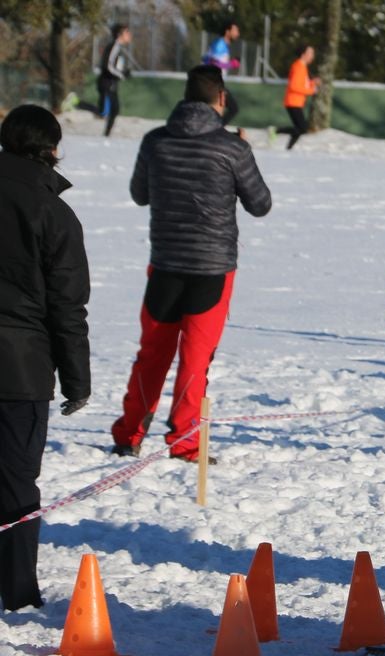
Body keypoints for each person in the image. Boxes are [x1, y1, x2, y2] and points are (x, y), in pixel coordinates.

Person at [111, 66, 271, 463]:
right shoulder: (232, 148)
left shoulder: (155, 141)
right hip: (213, 268)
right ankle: (183, 439)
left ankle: (129, 433)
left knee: (152, 352)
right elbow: (261, 204)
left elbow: (139, 194)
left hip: (165, 263)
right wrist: (239, 153)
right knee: (196, 358)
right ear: (221, 99)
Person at [0, 105, 91, 612]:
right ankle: (16, 591)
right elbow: (68, 305)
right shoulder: (53, 212)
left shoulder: (52, 210)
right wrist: (77, 380)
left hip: (22, 363)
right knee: (15, 481)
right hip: (21, 369)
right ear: (53, 149)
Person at [276, 45, 320, 150]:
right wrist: (311, 91)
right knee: (302, 128)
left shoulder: (303, 67)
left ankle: (289, 148)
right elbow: (294, 86)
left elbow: (303, 84)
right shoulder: (298, 67)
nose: (312, 56)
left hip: (297, 102)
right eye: (310, 53)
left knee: (300, 128)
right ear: (303, 54)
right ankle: (276, 131)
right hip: (293, 101)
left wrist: (313, 83)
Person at [94, 24, 132, 138]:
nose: (129, 35)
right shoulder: (114, 46)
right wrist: (121, 75)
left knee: (115, 110)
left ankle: (106, 136)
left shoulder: (118, 47)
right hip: (106, 83)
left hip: (112, 83)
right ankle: (76, 103)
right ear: (120, 34)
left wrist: (123, 72)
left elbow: (114, 66)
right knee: (104, 112)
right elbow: (108, 66)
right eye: (127, 32)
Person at [203, 21, 241, 126]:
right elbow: (212, 63)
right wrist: (231, 64)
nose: (237, 33)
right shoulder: (220, 44)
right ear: (227, 31)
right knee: (232, 108)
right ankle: (215, 131)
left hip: (215, 83)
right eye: (235, 30)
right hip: (212, 83)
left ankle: (214, 130)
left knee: (227, 110)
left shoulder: (222, 44)